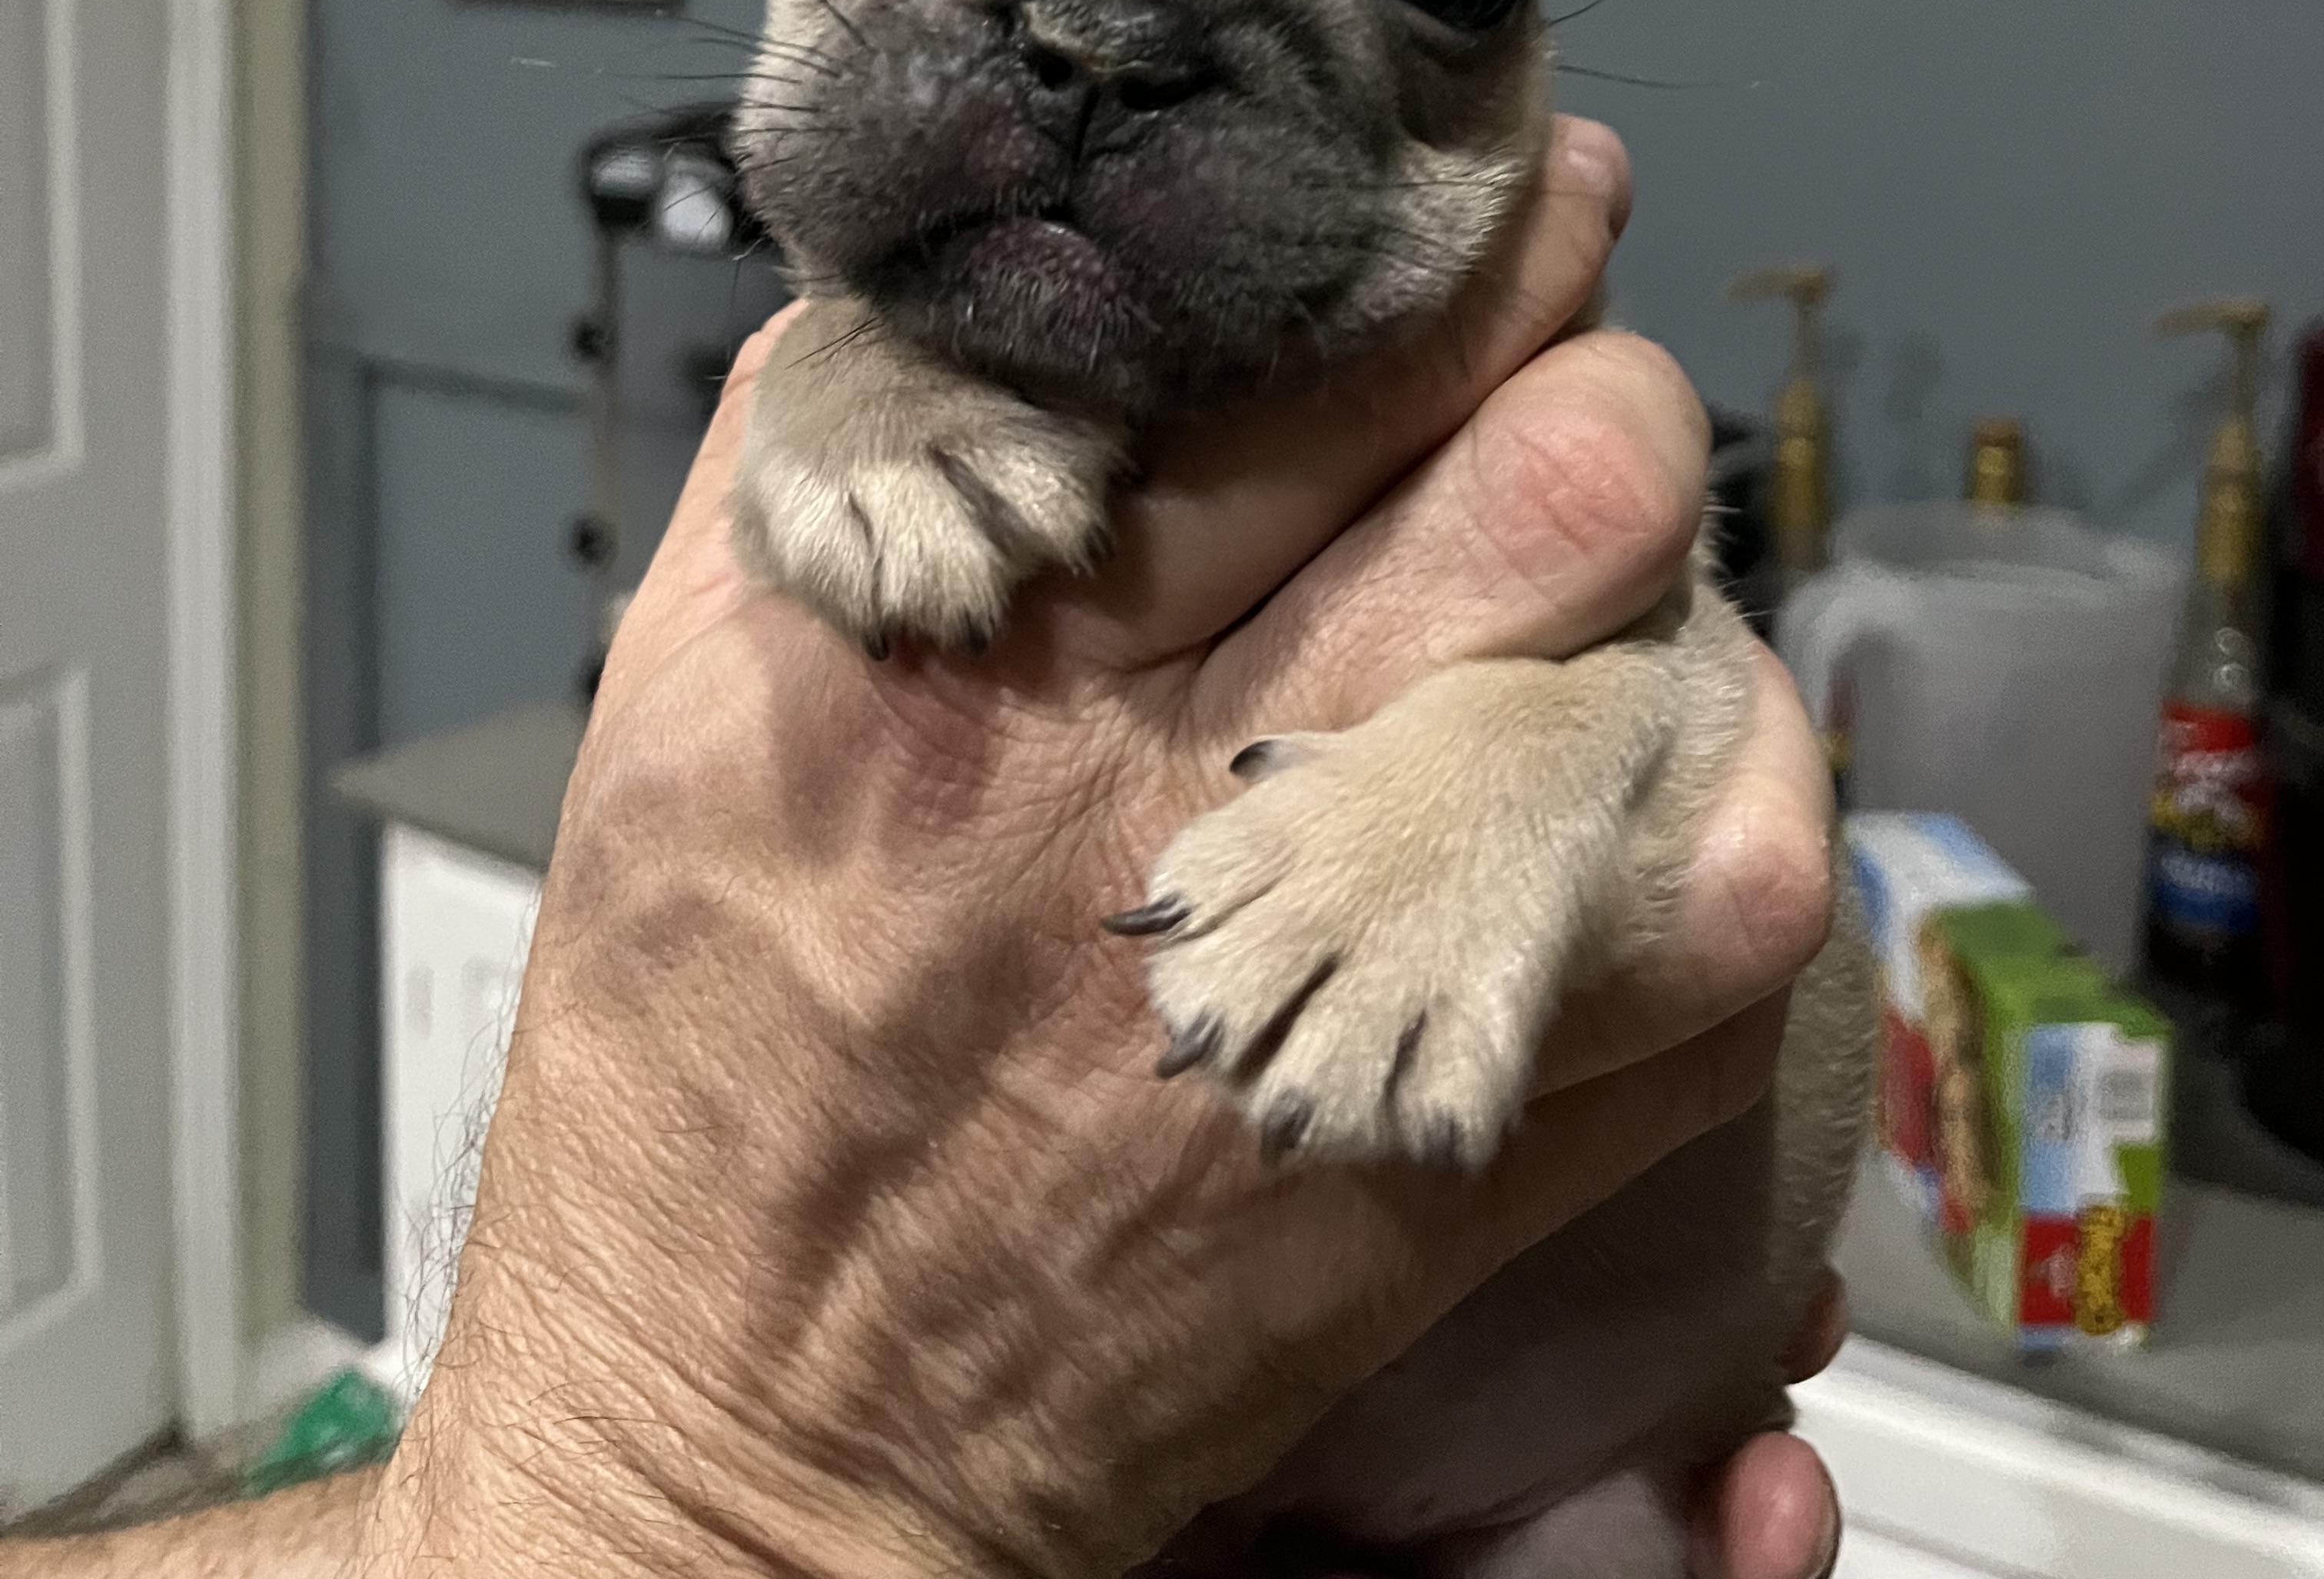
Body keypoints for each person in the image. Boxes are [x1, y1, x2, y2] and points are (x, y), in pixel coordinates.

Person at [13, 121, 1845, 1579]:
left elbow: (1677, 740)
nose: (1097, 42)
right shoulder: (861, 368)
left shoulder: (1508, 438)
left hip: (1553, 1473)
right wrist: (664, 1505)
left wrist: (1519, 761)